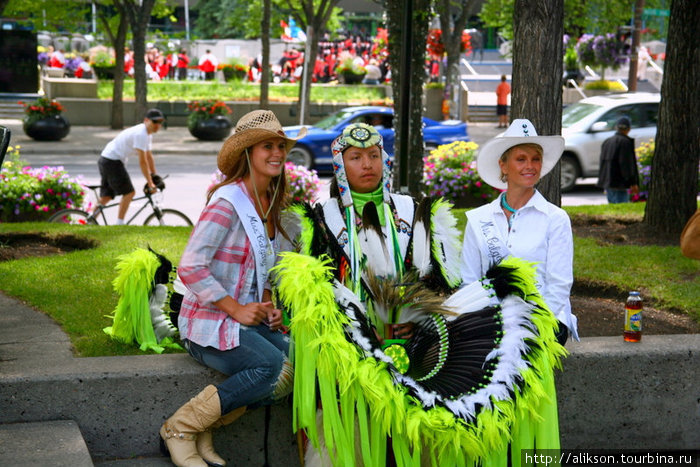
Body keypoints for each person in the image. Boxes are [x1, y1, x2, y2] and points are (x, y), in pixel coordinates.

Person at [274, 123, 566, 466]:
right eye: (355, 157)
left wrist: (416, 322)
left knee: (418, 433)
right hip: (347, 350)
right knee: (347, 440)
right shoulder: (319, 220)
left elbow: (440, 285)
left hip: (417, 344)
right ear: (340, 164)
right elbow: (311, 297)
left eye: (373, 156)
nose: (367, 164)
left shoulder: (415, 213)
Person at [160, 110, 304, 467]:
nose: (277, 153)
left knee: (298, 363)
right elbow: (191, 265)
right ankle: (180, 427)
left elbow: (267, 273)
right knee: (270, 365)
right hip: (207, 322)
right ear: (248, 153)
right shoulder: (228, 203)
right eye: (267, 146)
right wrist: (235, 307)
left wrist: (269, 305)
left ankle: (205, 424)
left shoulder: (273, 205)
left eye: (280, 146)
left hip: (246, 323)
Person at [460, 118, 579, 344]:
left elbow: (559, 285)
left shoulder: (555, 219)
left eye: (536, 159)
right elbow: (469, 282)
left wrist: (532, 323)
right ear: (503, 165)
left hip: (545, 320)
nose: (530, 166)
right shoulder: (478, 219)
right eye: (521, 159)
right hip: (493, 320)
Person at [97, 109, 164, 225]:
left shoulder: (147, 134)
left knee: (107, 196)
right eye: (155, 122)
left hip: (107, 159)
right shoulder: (141, 134)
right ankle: (119, 224)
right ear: (146, 121)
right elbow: (143, 161)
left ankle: (88, 220)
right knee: (129, 193)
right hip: (112, 161)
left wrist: (154, 175)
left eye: (160, 122)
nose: (158, 125)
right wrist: (150, 183)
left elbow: (149, 156)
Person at [596, 116, 639, 204]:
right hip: (620, 184)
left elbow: (602, 162)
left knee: (612, 208)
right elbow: (626, 164)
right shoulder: (625, 142)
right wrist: (633, 183)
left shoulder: (607, 142)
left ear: (616, 127)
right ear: (629, 129)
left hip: (608, 182)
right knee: (622, 207)